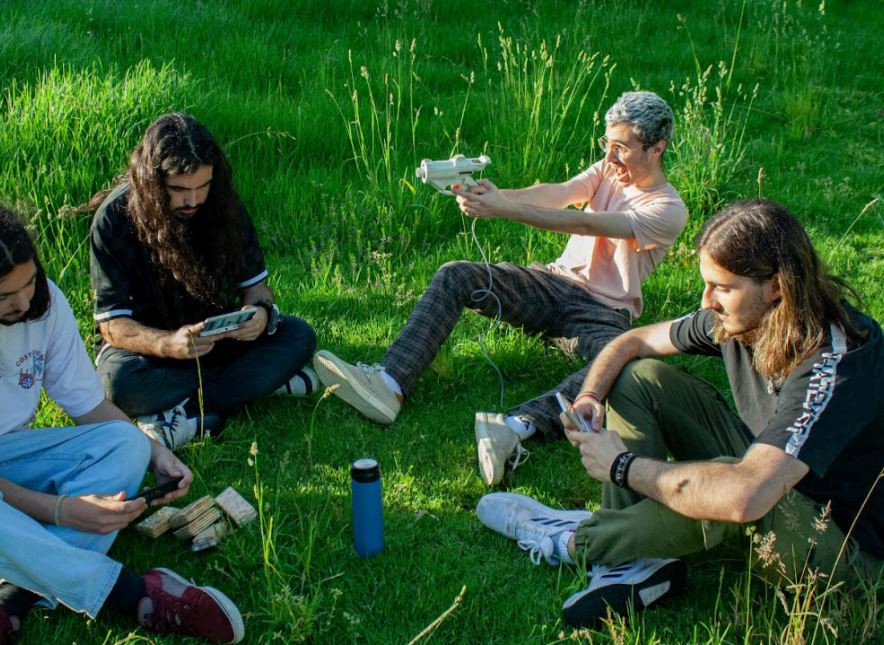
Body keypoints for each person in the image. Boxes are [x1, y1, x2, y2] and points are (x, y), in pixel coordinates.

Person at [476, 199, 883, 626]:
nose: (707, 300)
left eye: (722, 287)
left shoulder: (836, 366)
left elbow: (745, 496)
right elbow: (632, 342)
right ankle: (634, 561)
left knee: (732, 484)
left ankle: (579, 539)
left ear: (776, 287)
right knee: (641, 377)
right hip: (777, 476)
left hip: (848, 551)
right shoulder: (743, 317)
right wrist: (590, 396)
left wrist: (622, 466)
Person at [0, 203, 244, 643]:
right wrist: (63, 511)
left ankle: (6, 604)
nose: (24, 301)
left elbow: (89, 406)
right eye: (3, 296)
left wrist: (154, 449)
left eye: (28, 282)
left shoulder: (45, 302)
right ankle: (133, 595)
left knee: (125, 444)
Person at [313, 91, 689, 485]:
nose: (611, 158)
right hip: (552, 284)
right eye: (606, 146)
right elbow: (559, 193)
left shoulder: (667, 209)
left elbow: (587, 224)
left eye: (621, 149)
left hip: (603, 312)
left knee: (615, 366)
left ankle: (514, 427)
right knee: (457, 274)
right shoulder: (608, 169)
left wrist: (505, 210)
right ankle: (389, 384)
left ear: (656, 148)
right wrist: (495, 197)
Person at [89, 113, 317, 450]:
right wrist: (167, 343)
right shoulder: (113, 219)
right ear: (152, 183)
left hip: (215, 340)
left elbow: (256, 286)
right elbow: (112, 325)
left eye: (202, 187)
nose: (193, 200)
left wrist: (260, 314)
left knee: (298, 335)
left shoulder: (223, 204)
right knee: (118, 385)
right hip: (150, 352)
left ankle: (183, 412)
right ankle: (253, 387)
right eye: (179, 190)